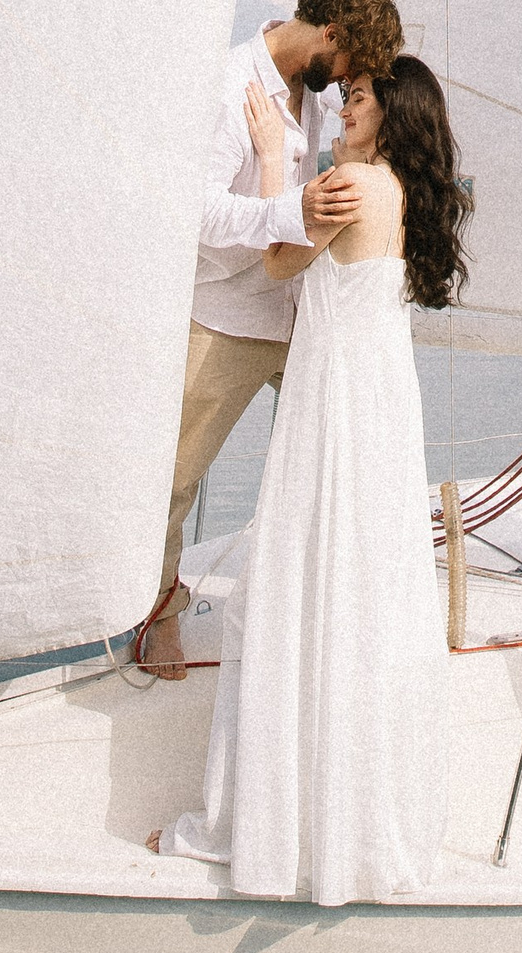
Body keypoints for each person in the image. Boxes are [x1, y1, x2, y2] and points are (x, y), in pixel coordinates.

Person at [155, 53, 469, 903]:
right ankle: (351, 809)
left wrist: (269, 153)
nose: (341, 107)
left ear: (389, 112)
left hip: (335, 393)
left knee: (308, 569)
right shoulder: (397, 187)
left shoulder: (353, 185)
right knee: (359, 580)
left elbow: (278, 262)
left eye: (358, 98)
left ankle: (274, 822)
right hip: (373, 393)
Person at [134, 0, 403, 682]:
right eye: (349, 68)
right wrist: (287, 212)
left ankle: (361, 604)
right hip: (227, 312)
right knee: (176, 477)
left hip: (301, 308)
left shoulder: (307, 97)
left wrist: (298, 208)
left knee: (348, 451)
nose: (345, 87)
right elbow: (195, 213)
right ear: (331, 38)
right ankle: (159, 613)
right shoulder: (228, 86)